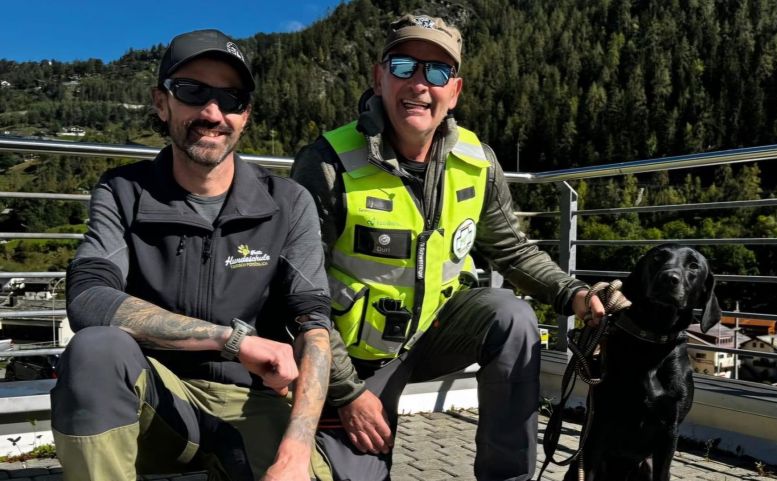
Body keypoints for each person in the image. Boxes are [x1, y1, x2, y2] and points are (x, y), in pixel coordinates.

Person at [291, 14, 605, 481]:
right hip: (355, 357)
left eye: (436, 72)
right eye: (403, 66)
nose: (419, 84)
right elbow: (300, 295)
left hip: (436, 330)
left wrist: (575, 294)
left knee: (513, 318)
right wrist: (347, 393)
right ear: (379, 78)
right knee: (353, 473)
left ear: (453, 90)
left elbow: (513, 251)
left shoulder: (477, 161)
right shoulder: (327, 164)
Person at [51, 29, 333, 481]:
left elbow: (314, 328)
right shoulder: (123, 192)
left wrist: (297, 449)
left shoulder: (289, 202)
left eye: (231, 98)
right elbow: (88, 300)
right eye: (192, 91)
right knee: (95, 349)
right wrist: (231, 340)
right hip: (155, 406)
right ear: (162, 103)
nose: (212, 112)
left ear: (246, 115)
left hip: (253, 405)